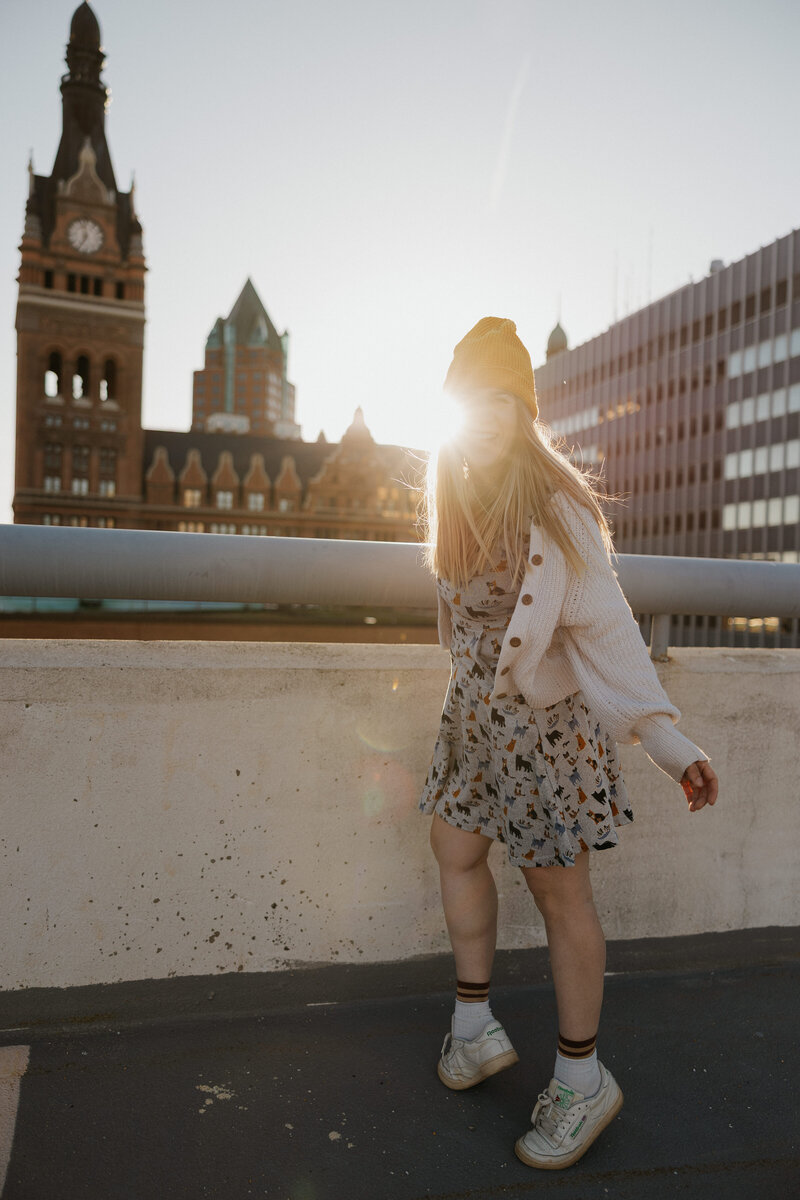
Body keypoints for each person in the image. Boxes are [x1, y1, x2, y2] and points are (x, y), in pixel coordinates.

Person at [418, 317, 718, 1171]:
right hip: (472, 724)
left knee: (560, 897)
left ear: (523, 413)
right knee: (453, 845)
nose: (483, 420)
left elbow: (612, 634)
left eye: (501, 404)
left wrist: (669, 742)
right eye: (470, 403)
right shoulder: (451, 495)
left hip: (543, 739)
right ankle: (474, 1028)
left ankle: (583, 1082)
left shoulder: (555, 512)